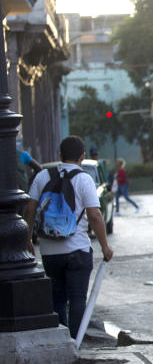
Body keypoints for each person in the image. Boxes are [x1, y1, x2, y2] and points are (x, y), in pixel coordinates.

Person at [22, 135, 114, 338]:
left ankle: (61, 340)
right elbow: (95, 216)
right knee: (77, 298)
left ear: (60, 155)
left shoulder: (43, 176)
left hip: (49, 251)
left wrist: (28, 239)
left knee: (57, 300)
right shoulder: (84, 179)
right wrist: (105, 247)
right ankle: (75, 342)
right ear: (82, 157)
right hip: (77, 251)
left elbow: (29, 210)